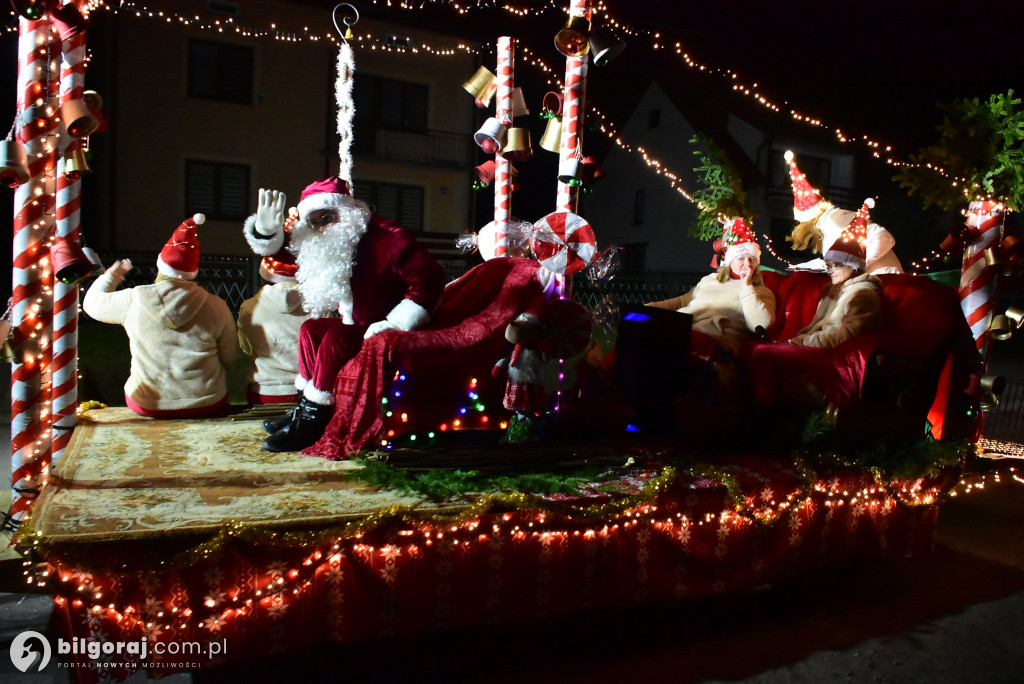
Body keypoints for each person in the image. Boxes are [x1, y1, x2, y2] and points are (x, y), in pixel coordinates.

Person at [243, 177, 447, 452]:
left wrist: (396, 322)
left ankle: (315, 419)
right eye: (313, 221)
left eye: (326, 217)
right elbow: (287, 252)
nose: (320, 227)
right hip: (355, 322)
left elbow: (430, 280)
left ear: (346, 211)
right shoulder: (324, 235)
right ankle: (307, 405)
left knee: (336, 336)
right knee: (312, 329)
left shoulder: (389, 237)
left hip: (385, 326)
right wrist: (266, 232)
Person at [82, 214, 238, 418]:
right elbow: (229, 357)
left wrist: (111, 276)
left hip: (148, 402)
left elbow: (92, 304)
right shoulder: (217, 306)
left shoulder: (135, 299)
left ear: (160, 267)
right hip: (206, 400)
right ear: (193, 272)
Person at [746, 200, 884, 408]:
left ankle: (764, 413)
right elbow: (815, 327)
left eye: (835, 265)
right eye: (828, 266)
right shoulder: (834, 291)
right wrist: (792, 342)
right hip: (814, 348)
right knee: (755, 349)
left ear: (853, 265)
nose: (830, 270)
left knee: (762, 354)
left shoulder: (863, 294)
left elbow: (843, 337)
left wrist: (799, 344)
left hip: (830, 358)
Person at [646, 217, 775, 356]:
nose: (747, 264)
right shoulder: (710, 280)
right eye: (740, 258)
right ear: (730, 261)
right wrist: (651, 307)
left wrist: (746, 287)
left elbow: (761, 325)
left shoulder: (761, 292)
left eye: (752, 259)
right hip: (683, 328)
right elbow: (682, 301)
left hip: (716, 341)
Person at [784, 150, 903, 274]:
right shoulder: (827, 227)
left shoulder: (834, 220)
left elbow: (883, 237)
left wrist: (857, 262)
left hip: (887, 280)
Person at [236, 224, 309, 405]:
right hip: (306, 395)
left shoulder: (249, 307)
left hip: (264, 392)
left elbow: (246, 348)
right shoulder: (318, 307)